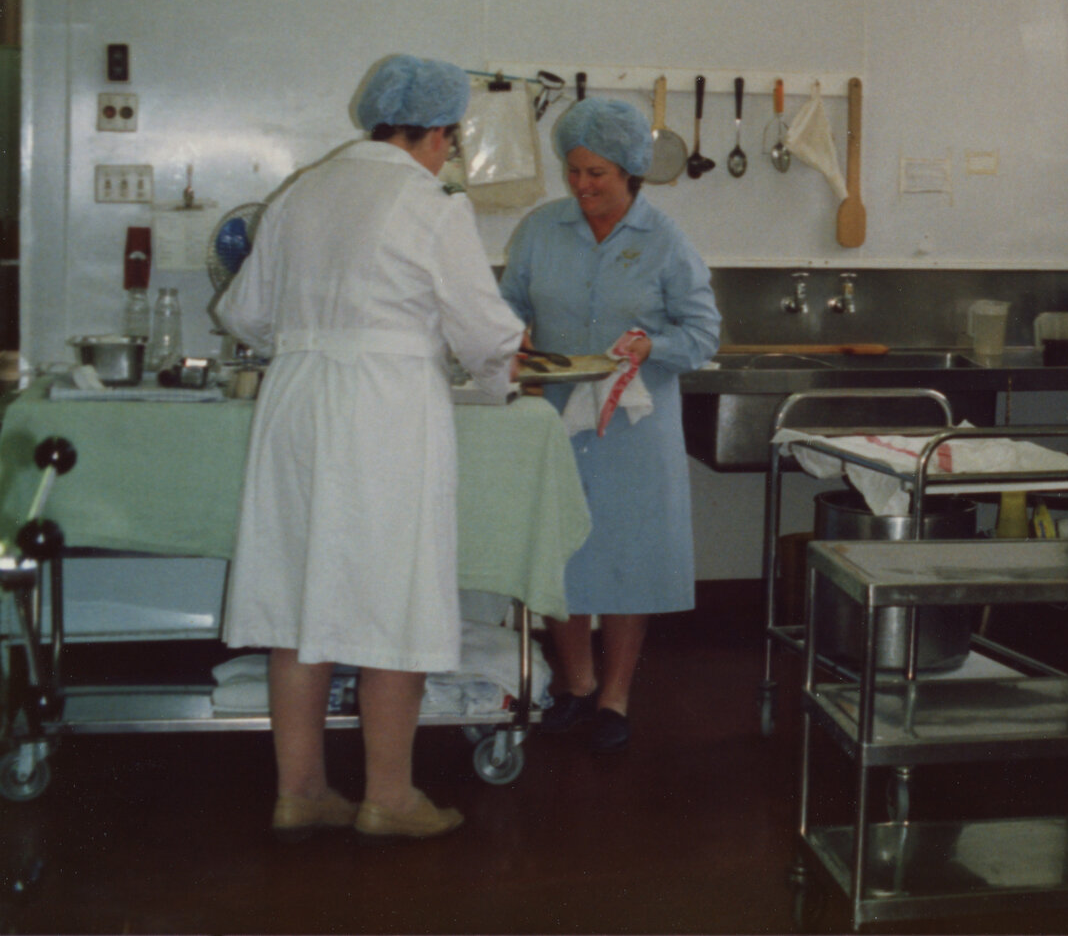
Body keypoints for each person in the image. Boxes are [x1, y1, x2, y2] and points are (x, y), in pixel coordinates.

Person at [218, 54, 525, 841]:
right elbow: (486, 330)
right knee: (396, 589)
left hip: (296, 405)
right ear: (437, 134)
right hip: (382, 412)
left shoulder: (302, 191)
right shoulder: (431, 204)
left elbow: (246, 314)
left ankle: (302, 789)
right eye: (449, 141)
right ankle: (388, 796)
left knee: (300, 598)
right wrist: (500, 373)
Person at [501, 97, 720, 753]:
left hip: (635, 423)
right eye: (574, 171)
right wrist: (511, 340)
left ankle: (615, 696)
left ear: (630, 171)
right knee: (559, 550)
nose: (582, 185)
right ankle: (575, 683)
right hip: (558, 419)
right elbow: (509, 305)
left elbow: (704, 331)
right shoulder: (541, 230)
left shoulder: (666, 241)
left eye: (597, 173)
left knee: (630, 557)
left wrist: (654, 346)